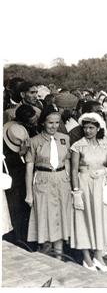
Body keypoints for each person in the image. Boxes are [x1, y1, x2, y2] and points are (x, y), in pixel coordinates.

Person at [24, 105, 72, 260]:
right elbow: (29, 167)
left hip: (61, 182)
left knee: (59, 218)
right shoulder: (34, 141)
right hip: (43, 181)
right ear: (43, 122)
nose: (54, 126)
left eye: (57, 122)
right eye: (50, 122)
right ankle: (45, 259)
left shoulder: (64, 139)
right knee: (44, 217)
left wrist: (69, 183)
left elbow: (67, 162)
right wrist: (29, 194)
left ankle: (58, 257)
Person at [70, 113, 107, 272]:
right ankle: (87, 259)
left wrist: (103, 172)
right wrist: (76, 192)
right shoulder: (78, 145)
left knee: (101, 219)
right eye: (85, 127)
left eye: (91, 128)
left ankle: (98, 256)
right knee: (84, 219)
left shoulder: (104, 144)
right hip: (84, 185)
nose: (88, 130)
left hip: (100, 186)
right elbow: (74, 169)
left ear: (98, 129)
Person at [2, 119, 32, 249]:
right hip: (13, 189)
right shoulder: (7, 155)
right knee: (15, 214)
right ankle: (18, 239)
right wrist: (21, 154)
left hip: (20, 189)